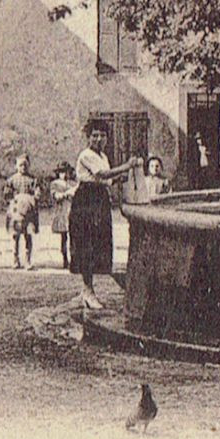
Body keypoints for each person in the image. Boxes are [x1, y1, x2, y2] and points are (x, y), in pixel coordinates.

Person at [70, 119, 140, 310]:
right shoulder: (86, 155)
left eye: (102, 135)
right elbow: (102, 175)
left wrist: (119, 178)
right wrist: (125, 166)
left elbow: (107, 180)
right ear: (88, 137)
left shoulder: (103, 156)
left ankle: (89, 290)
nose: (99, 139)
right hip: (86, 200)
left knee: (99, 242)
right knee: (87, 243)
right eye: (94, 135)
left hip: (99, 199)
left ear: (107, 138)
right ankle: (88, 290)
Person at [3, 154, 41, 270]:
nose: (23, 167)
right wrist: (13, 201)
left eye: (25, 165)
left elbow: (37, 193)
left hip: (29, 212)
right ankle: (15, 260)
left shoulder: (33, 180)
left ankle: (28, 261)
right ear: (16, 166)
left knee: (28, 235)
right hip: (16, 212)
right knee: (16, 236)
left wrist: (34, 198)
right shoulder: (12, 180)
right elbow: (6, 194)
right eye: (20, 165)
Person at [48, 163, 76, 270]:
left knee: (73, 236)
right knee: (64, 237)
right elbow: (55, 196)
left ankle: (74, 259)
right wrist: (65, 194)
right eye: (61, 172)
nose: (63, 175)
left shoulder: (73, 183)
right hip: (62, 211)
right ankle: (65, 259)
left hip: (72, 210)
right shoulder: (55, 184)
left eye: (65, 172)